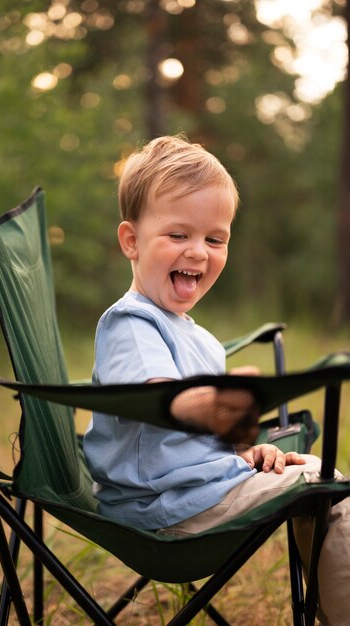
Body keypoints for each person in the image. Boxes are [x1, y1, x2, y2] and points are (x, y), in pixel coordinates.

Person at [83, 135, 350, 626]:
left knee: (315, 470)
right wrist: (219, 405)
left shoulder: (200, 338)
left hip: (195, 492)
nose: (199, 252)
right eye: (178, 235)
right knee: (329, 486)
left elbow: (195, 440)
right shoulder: (132, 324)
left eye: (215, 238)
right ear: (131, 241)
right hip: (165, 511)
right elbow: (157, 398)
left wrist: (244, 453)